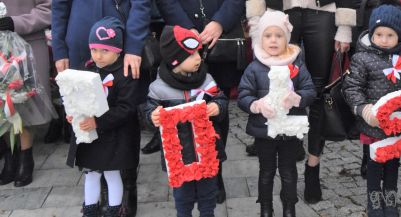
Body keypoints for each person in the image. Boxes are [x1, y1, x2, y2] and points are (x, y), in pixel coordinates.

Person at [245, 0, 357, 204]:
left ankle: (313, 166)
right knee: (275, 82)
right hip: (279, 11)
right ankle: (285, 155)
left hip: (323, 11)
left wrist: (344, 27)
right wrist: (255, 22)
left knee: (319, 92)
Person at [51, 1, 149, 215]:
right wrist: (59, 48)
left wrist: (133, 46)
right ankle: (99, 192)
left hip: (119, 40)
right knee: (85, 111)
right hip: (80, 44)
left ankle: (127, 185)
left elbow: (141, 4)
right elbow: (59, 6)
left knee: (124, 115)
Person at [155, 0, 244, 203]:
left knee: (217, 110)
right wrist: (187, 30)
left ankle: (215, 172)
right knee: (183, 110)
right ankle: (188, 171)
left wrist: (220, 22)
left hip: (222, 39)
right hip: (182, 39)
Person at [342, 5, 401, 217]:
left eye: (390, 35)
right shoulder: (362, 58)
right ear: (371, 33)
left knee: (393, 163)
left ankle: (391, 198)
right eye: (379, 34)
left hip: (397, 122)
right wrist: (362, 108)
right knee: (375, 163)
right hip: (373, 123)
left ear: (400, 35)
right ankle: (374, 201)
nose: (384, 39)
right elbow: (352, 88)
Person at [237, 11, 316, 217]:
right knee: (266, 172)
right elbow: (243, 95)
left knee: (289, 172)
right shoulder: (254, 68)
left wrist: (297, 98)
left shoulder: (296, 64)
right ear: (260, 38)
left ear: (286, 39)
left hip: (289, 131)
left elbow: (310, 90)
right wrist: (256, 105)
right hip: (265, 133)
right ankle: (265, 207)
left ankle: (289, 208)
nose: (273, 40)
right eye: (268, 35)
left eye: (278, 36)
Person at [145, 25, 229, 217]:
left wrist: (218, 106)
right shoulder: (158, 88)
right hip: (179, 159)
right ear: (174, 60)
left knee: (208, 197)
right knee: (183, 199)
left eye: (199, 53)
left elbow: (221, 98)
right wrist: (152, 116)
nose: (199, 58)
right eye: (191, 55)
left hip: (207, 153)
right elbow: (147, 111)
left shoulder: (207, 80)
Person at [0, 0, 57, 187]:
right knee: (3, 105)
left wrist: (16, 22)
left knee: (25, 102)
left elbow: (48, 10)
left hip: (27, 45)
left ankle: (26, 157)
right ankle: (10, 157)